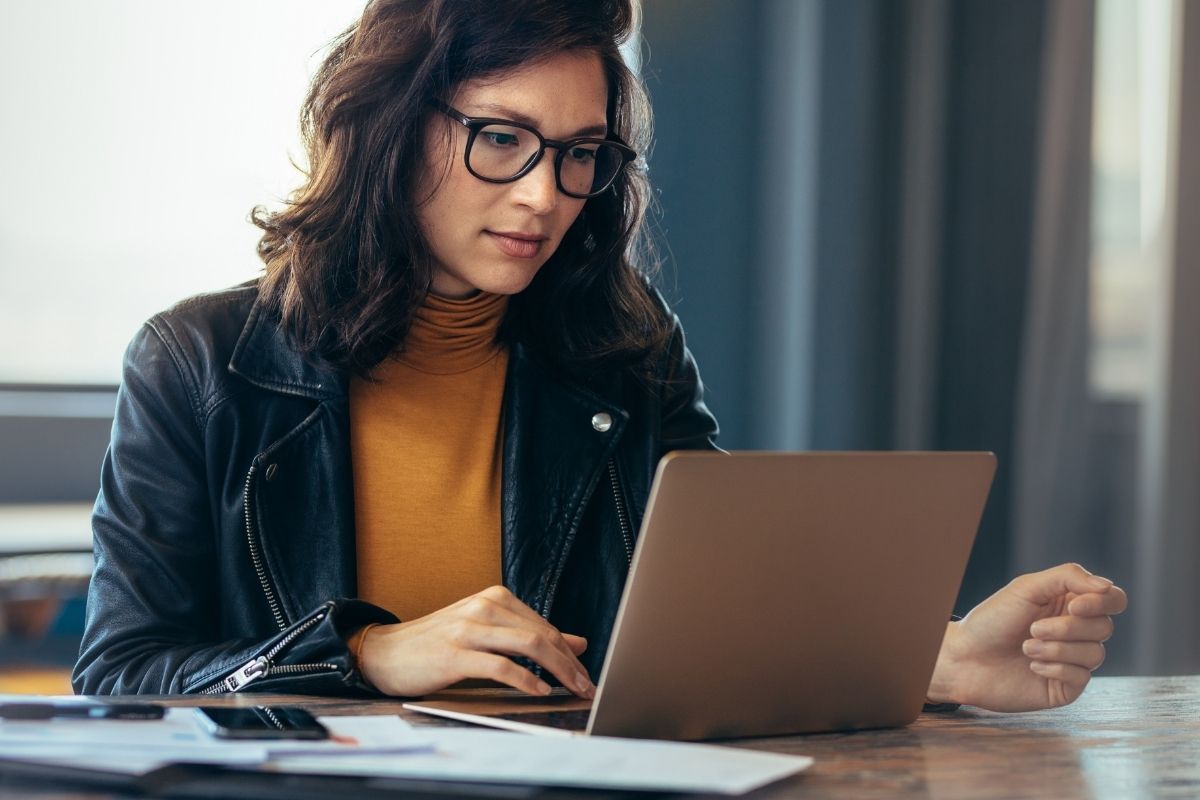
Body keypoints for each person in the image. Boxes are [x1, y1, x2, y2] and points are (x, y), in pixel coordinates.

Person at [73, 0, 1127, 713]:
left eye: (581, 153)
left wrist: (936, 656)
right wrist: (363, 654)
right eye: (501, 138)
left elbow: (719, 616)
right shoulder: (200, 362)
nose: (544, 194)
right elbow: (120, 675)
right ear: (389, 126)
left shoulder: (623, 347)